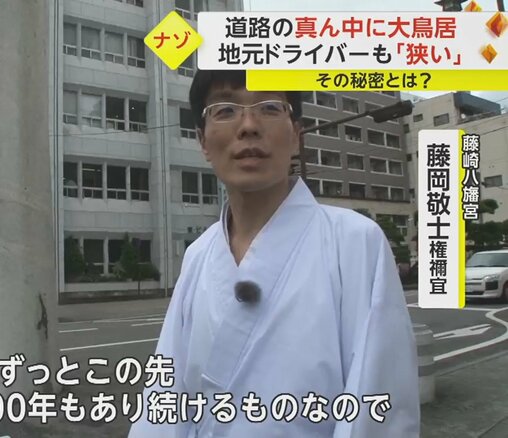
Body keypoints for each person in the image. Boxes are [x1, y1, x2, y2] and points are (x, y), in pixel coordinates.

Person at [128, 70, 420, 437]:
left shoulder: (356, 242)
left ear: (296, 134)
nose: (249, 126)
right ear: (202, 140)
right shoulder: (198, 255)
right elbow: (166, 394)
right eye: (225, 110)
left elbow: (376, 402)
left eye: (268, 107)